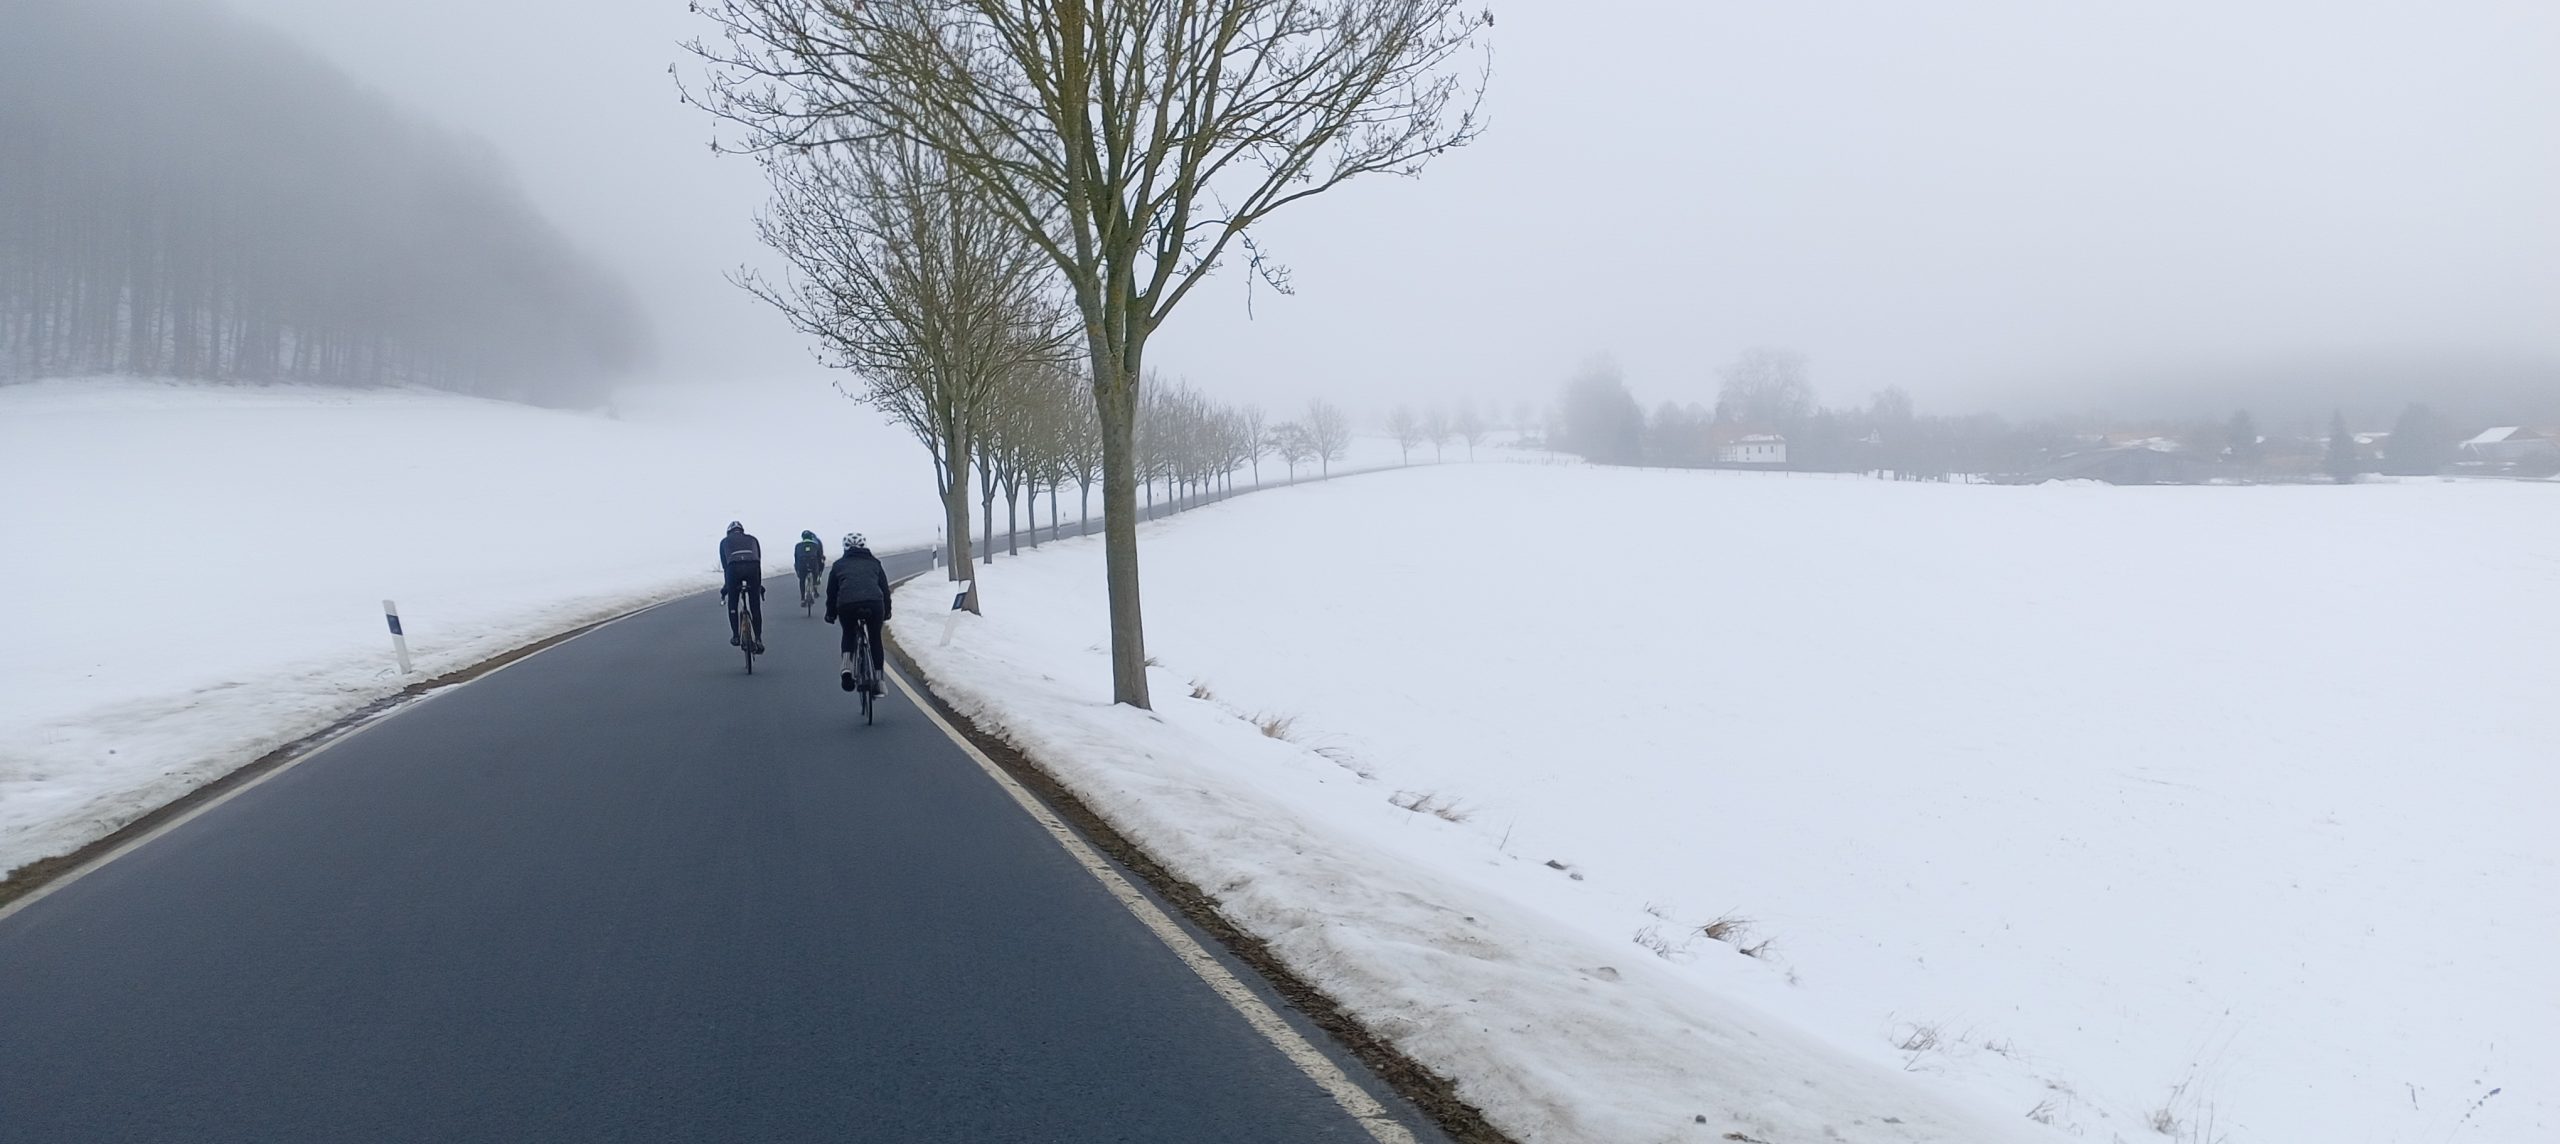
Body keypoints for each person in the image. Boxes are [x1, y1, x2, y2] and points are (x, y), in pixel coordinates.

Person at [825, 532, 892, 693]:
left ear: (845, 548)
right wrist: (887, 611)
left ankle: (847, 667)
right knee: (875, 638)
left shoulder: (838, 565)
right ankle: (879, 680)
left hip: (847, 605)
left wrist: (830, 613)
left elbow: (832, 592)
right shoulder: (875, 563)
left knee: (849, 633)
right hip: (874, 604)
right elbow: (885, 590)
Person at [718, 521, 765, 653]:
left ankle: (736, 636)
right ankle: (758, 639)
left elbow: (726, 566)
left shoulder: (724, 542)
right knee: (755, 606)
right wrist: (758, 586)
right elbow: (758, 560)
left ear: (729, 532)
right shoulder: (753, 539)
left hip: (734, 569)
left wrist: (727, 587)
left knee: (733, 602)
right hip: (753, 568)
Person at [793, 530, 826, 603]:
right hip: (813, 565)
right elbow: (819, 556)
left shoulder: (798, 546)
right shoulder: (815, 544)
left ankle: (802, 597)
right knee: (816, 572)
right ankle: (815, 584)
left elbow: (796, 558)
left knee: (802, 580)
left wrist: (797, 569)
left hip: (802, 565)